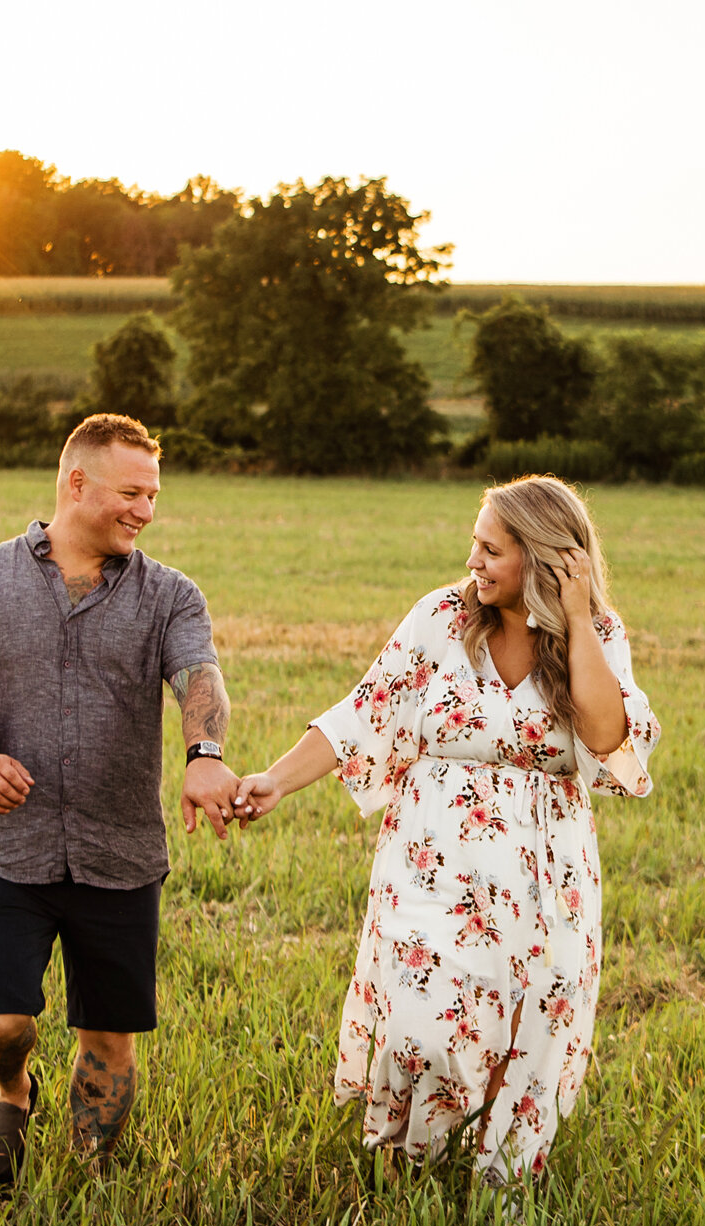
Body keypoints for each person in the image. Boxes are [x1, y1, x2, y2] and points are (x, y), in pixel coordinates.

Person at [234, 475, 660, 1185]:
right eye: (475, 545)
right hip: (435, 862)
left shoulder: (598, 635)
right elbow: (361, 712)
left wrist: (579, 618)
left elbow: (610, 734)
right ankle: (414, 1163)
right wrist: (274, 781)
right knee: (423, 1025)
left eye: (491, 550)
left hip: (546, 877)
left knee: (527, 1030)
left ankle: (500, 1181)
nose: (474, 562)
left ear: (545, 558)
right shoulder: (441, 618)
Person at [0, 413, 243, 1191]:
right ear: (77, 483)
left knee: (110, 1045)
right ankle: (11, 1088)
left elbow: (200, 677)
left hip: (119, 852)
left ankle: (89, 1178)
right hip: (5, 848)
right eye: (131, 492)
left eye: (154, 495)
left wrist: (205, 755)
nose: (146, 510)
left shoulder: (171, 596)